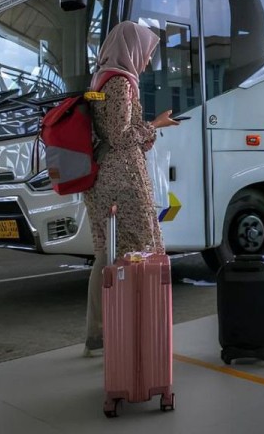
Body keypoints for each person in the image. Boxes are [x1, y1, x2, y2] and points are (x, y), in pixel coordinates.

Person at [83, 21, 180, 357]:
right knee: (137, 250)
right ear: (132, 48)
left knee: (106, 254)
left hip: (103, 176)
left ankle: (99, 332)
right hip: (122, 178)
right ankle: (130, 326)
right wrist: (154, 125)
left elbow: (109, 130)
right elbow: (121, 136)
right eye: (146, 52)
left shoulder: (100, 78)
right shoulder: (122, 82)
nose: (147, 60)